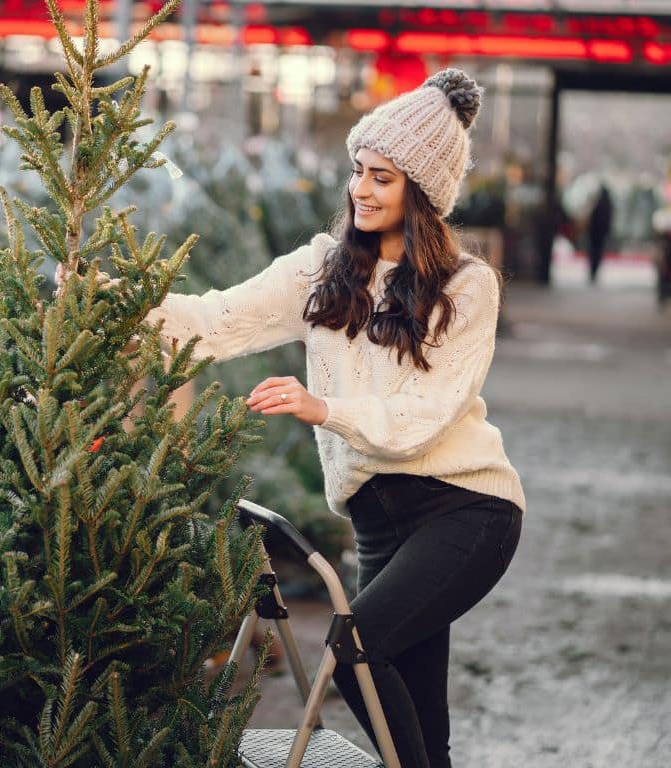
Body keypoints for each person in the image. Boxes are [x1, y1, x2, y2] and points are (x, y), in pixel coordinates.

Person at [142, 69, 525, 768]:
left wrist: (323, 407)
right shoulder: (322, 269)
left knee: (356, 651)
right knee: (414, 718)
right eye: (358, 171)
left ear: (422, 190)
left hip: (465, 511)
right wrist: (120, 299)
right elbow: (215, 320)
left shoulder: (466, 288)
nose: (360, 190)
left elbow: (424, 415)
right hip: (377, 521)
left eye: (382, 177)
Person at [586, 182, 613, 283]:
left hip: (594, 233)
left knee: (593, 251)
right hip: (601, 233)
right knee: (597, 252)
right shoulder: (608, 204)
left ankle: (593, 271)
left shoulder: (597, 204)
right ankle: (594, 270)